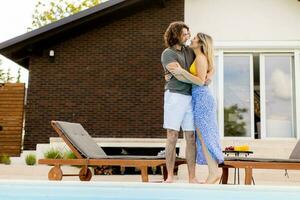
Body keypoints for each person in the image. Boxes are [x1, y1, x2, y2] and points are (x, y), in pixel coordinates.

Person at [168, 32, 224, 184]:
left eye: (194, 38)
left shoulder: (200, 58)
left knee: (203, 136)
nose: (191, 39)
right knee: (202, 136)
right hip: (200, 97)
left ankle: (213, 173)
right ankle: (213, 172)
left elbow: (199, 81)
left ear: (200, 43)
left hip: (202, 98)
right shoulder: (199, 57)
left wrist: (182, 71)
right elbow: (207, 73)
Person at [161, 22, 209, 183]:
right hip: (174, 96)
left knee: (190, 136)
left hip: (190, 97)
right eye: (185, 34)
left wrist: (207, 76)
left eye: (189, 33)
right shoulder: (167, 53)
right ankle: (169, 176)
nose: (188, 36)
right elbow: (179, 76)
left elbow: (205, 61)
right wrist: (197, 80)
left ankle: (192, 177)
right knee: (172, 136)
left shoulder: (190, 51)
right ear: (176, 35)